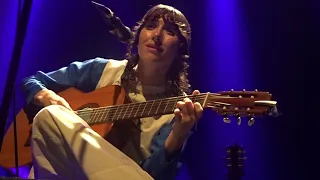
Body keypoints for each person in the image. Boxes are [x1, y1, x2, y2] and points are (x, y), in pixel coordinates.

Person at [21, 4, 203, 180]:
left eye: (169, 31)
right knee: (49, 115)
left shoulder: (181, 109)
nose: (156, 35)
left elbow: (153, 175)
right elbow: (32, 81)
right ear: (138, 36)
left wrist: (177, 136)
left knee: (49, 118)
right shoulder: (104, 70)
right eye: (150, 26)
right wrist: (47, 97)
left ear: (180, 49)